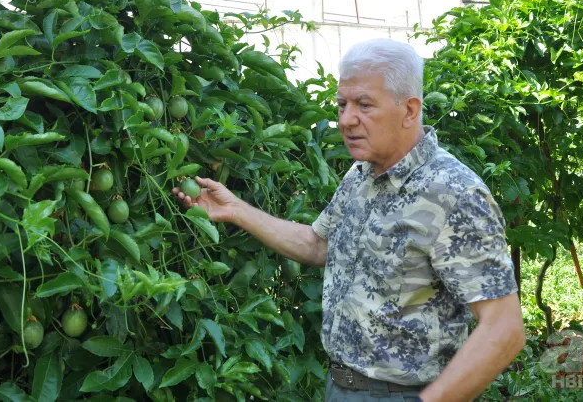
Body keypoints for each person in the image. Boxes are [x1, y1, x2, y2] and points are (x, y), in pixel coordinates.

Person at [173, 38, 525, 402]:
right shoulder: (362, 175)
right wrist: (234, 210)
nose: (346, 119)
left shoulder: (453, 193)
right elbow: (318, 244)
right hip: (341, 387)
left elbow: (504, 328)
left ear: (409, 110)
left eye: (364, 105)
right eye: (342, 104)